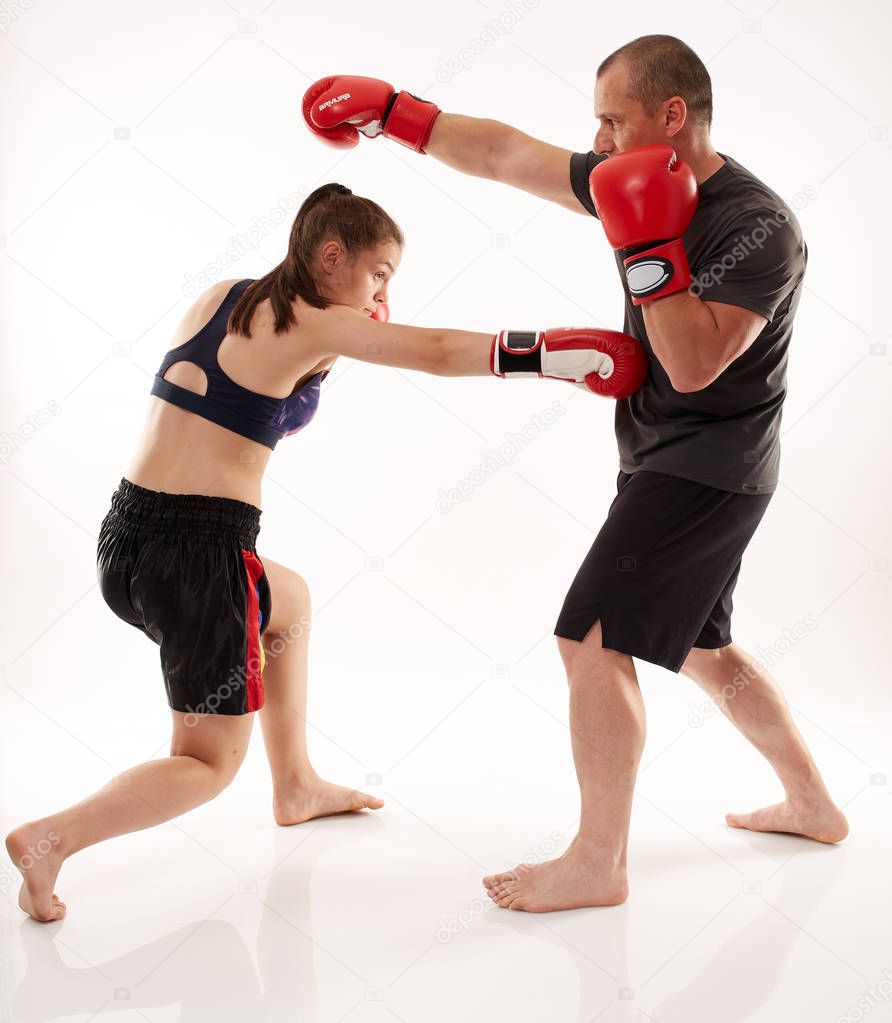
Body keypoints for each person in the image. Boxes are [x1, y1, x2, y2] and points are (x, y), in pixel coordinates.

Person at [302, 33, 850, 914]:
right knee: (706, 651)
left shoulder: (759, 227)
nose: (597, 139)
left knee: (590, 636)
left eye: (611, 119)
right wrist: (399, 114)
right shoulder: (632, 176)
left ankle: (599, 859)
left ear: (671, 117)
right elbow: (506, 152)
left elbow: (695, 363)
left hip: (707, 467)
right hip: (670, 459)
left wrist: (648, 242)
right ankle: (815, 805)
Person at [4, 182, 646, 922]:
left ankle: (297, 784)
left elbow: (262, 382)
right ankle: (51, 839)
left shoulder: (228, 297)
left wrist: (349, 335)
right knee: (206, 763)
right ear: (332, 256)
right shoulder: (313, 323)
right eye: (379, 273)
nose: (383, 292)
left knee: (292, 600)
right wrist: (559, 357)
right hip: (195, 557)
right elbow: (436, 352)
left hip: (127, 536)